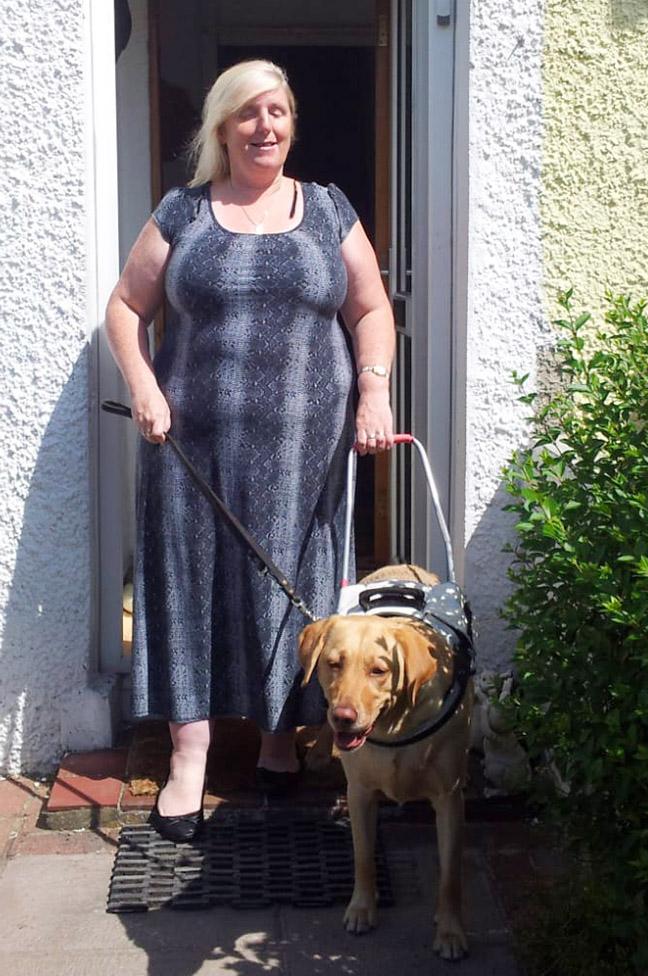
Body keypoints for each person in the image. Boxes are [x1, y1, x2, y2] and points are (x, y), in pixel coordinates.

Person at [105, 60, 395, 842]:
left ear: (291, 123)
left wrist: (374, 391)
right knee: (187, 589)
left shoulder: (331, 211)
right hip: (189, 444)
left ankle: (277, 743)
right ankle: (190, 758)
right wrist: (142, 384)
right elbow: (128, 306)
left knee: (290, 587)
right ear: (222, 128)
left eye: (279, 112)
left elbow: (370, 309)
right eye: (248, 115)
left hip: (307, 449)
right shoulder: (183, 211)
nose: (265, 127)